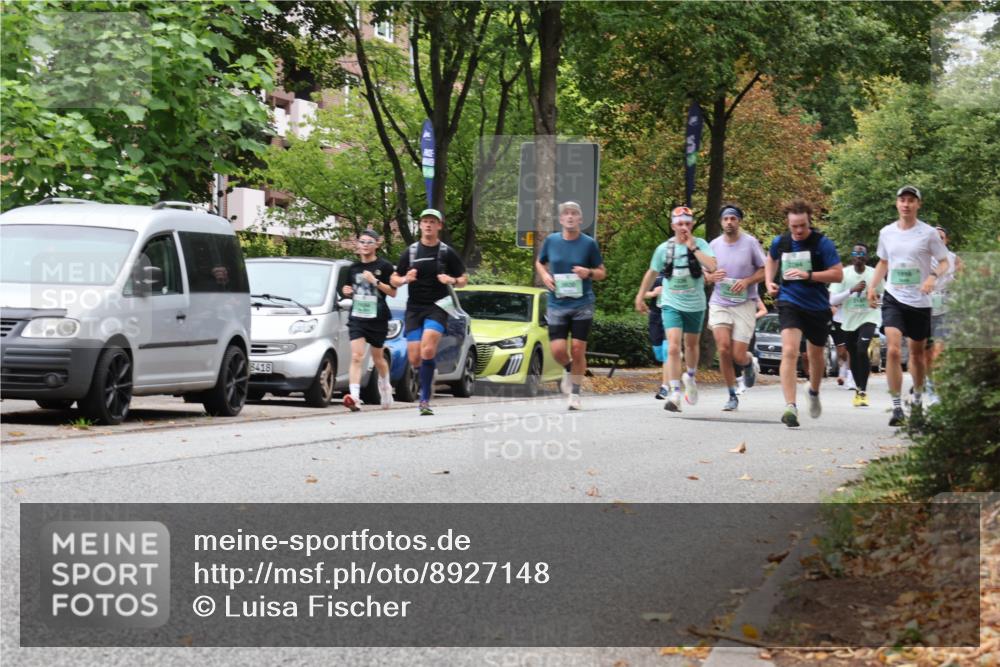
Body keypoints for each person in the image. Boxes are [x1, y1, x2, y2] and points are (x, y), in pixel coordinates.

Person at [867, 186, 949, 426]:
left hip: (920, 301)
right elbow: (883, 262)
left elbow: (944, 262)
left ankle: (918, 403)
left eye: (911, 200)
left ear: (918, 205)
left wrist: (932, 277)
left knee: (917, 355)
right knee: (893, 350)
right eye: (902, 200)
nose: (906, 204)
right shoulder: (887, 232)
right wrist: (872, 286)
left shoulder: (929, 233)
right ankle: (896, 407)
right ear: (897, 204)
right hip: (893, 297)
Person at [764, 199, 844, 427]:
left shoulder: (822, 244)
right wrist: (769, 282)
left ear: (809, 222)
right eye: (794, 226)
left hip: (817, 306)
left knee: (816, 355)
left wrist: (809, 275)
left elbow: (837, 274)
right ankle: (790, 406)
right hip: (789, 301)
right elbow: (771, 259)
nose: (798, 231)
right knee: (789, 351)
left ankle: (814, 391)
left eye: (802, 226)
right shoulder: (781, 242)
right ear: (788, 224)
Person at [634, 206, 717, 412]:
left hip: (695, 304)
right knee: (672, 347)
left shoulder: (701, 244)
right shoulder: (664, 249)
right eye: (679, 224)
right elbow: (652, 272)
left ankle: (690, 376)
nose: (684, 227)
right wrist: (640, 295)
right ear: (673, 226)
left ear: (692, 225)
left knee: (691, 345)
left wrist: (693, 248)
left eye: (687, 223)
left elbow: (713, 266)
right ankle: (675, 393)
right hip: (671, 303)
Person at [391, 209, 468, 416]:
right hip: (414, 308)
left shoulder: (446, 252)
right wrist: (405, 279)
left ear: (439, 226)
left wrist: (452, 280)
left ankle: (424, 399)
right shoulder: (411, 252)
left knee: (427, 350)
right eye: (425, 221)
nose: (428, 225)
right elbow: (394, 280)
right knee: (415, 357)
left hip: (438, 306)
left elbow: (463, 279)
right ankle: (427, 372)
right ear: (420, 225)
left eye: (432, 222)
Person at [535, 201, 606, 411]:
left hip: (582, 303)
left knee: (577, 348)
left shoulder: (589, 244)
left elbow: (602, 272)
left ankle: (575, 393)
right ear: (560, 219)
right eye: (566, 213)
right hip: (557, 303)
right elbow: (540, 262)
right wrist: (545, 275)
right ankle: (568, 369)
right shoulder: (551, 241)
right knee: (557, 350)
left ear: (580, 219)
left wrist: (588, 272)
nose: (570, 217)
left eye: (574, 213)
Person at [704, 204, 764, 411]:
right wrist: (710, 277)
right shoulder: (713, 245)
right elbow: (704, 272)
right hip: (720, 301)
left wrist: (747, 281)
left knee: (738, 355)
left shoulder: (750, 243)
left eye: (733, 219)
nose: (729, 222)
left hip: (745, 303)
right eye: (726, 219)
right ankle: (731, 394)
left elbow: (765, 270)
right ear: (721, 222)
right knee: (723, 348)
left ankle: (748, 363)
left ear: (739, 221)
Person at [340, 230, 397, 412]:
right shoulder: (353, 268)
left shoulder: (385, 266)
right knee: (356, 356)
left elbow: (393, 292)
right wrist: (347, 291)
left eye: (369, 242)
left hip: (377, 318)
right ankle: (355, 397)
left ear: (377, 244)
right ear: (357, 244)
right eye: (362, 241)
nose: (364, 245)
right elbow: (348, 289)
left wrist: (375, 281)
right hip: (357, 317)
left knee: (378, 358)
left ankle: (385, 386)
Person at [829, 243, 881, 407]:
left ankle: (863, 391)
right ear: (852, 257)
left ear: (866, 257)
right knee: (853, 353)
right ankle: (858, 389)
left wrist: (876, 300)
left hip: (868, 317)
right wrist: (851, 290)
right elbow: (832, 300)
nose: (858, 256)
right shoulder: (844, 274)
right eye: (855, 253)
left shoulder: (874, 274)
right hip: (848, 320)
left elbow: (885, 295)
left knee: (861, 349)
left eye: (862, 253)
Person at [923, 225, 961, 407]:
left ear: (947, 241)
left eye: (941, 237)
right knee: (926, 354)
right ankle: (930, 384)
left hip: (945, 310)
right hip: (923, 310)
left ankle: (936, 394)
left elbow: (965, 282)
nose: (937, 240)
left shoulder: (954, 259)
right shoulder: (921, 257)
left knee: (939, 352)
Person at [644, 274, 671, 399]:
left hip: (671, 315)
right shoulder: (655, 274)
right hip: (655, 315)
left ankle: (665, 387)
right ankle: (674, 361)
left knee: (667, 351)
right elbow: (643, 293)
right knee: (659, 354)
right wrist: (653, 293)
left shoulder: (678, 273)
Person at [737, 298, 769, 395]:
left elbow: (764, 310)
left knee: (742, 355)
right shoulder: (728, 294)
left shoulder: (751, 293)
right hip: (734, 327)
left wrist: (751, 317)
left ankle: (751, 362)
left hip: (748, 329)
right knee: (732, 355)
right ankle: (741, 383)